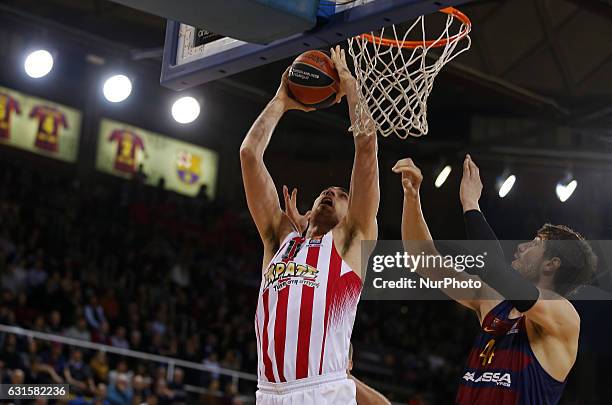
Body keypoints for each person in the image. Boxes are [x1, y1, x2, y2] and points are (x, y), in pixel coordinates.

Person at [393, 155, 596, 404]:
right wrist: (412, 197)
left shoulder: (564, 317)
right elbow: (423, 260)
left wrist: (470, 204)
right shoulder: (492, 303)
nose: (521, 247)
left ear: (552, 264)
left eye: (534, 244)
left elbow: (494, 269)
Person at [240, 45, 378, 404]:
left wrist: (350, 87)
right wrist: (281, 100)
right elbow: (249, 155)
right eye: (326, 190)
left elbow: (366, 147)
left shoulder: (351, 243)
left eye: (342, 193)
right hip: (267, 392)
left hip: (322, 391)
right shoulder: (279, 241)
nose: (331, 191)